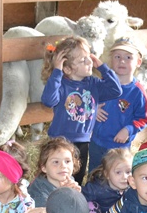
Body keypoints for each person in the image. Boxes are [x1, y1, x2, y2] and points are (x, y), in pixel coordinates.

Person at [41, 35, 122, 184]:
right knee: (56, 177)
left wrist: (102, 67)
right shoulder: (61, 85)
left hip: (83, 141)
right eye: (83, 60)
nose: (89, 62)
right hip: (59, 141)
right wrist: (57, 72)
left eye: (89, 57)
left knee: (77, 177)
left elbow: (116, 90)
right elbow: (48, 100)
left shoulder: (93, 84)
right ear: (67, 68)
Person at [89, 37, 147, 172]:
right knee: (94, 174)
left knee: (117, 175)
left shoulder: (137, 91)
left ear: (138, 62)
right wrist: (93, 109)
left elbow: (144, 118)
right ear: (111, 59)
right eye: (117, 56)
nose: (122, 61)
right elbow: (88, 100)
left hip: (119, 146)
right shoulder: (101, 83)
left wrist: (128, 130)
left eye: (128, 57)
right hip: (97, 141)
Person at [82, 148, 133, 213]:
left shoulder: (132, 187)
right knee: (89, 207)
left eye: (128, 172)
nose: (124, 177)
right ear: (107, 174)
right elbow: (80, 197)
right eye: (118, 172)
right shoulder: (97, 188)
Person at [28, 136, 81, 208]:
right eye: (56, 162)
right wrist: (64, 195)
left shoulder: (69, 179)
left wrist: (77, 196)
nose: (63, 166)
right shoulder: (38, 194)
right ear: (44, 167)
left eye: (67, 161)